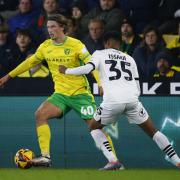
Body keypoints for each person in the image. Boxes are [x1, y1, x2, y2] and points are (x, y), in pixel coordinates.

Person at [0, 14, 118, 169]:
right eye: (48, 27)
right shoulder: (45, 47)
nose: (50, 30)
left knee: (95, 126)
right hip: (61, 94)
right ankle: (45, 157)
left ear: (62, 27)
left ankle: (115, 161)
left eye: (53, 26)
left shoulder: (76, 45)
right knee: (40, 114)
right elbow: (30, 62)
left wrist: (100, 83)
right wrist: (8, 76)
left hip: (80, 94)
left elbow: (92, 63)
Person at [59, 31, 180, 169]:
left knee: (93, 127)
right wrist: (132, 101)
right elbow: (137, 84)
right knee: (153, 132)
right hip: (133, 100)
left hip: (113, 100)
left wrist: (67, 71)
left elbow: (88, 69)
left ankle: (113, 160)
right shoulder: (129, 58)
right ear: (119, 44)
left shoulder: (100, 53)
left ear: (107, 43)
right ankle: (177, 160)